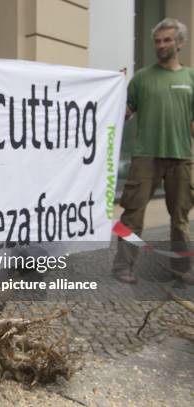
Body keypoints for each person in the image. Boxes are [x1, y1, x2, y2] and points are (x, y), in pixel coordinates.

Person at [112, 18, 193, 285]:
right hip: (145, 157)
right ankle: (123, 268)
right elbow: (123, 114)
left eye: (167, 40)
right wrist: (112, 91)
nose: (161, 45)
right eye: (157, 41)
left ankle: (182, 270)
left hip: (181, 157)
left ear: (179, 43)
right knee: (132, 215)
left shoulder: (190, 78)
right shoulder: (142, 79)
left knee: (180, 220)